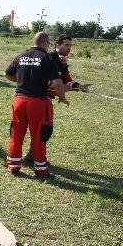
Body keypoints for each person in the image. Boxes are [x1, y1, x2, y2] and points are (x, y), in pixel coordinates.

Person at [4, 32, 69, 179]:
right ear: (45, 43)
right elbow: (58, 83)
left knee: (16, 134)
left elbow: (7, 74)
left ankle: (13, 166)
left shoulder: (21, 56)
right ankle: (40, 170)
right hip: (38, 103)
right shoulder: (47, 58)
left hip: (19, 101)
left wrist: (20, 80)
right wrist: (62, 97)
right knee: (39, 136)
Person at [23, 34, 91, 163]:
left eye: (70, 45)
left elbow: (67, 80)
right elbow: (50, 84)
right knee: (42, 130)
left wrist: (79, 86)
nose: (69, 48)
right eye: (66, 45)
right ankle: (34, 157)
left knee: (44, 130)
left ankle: (32, 155)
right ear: (56, 46)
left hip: (45, 101)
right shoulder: (48, 59)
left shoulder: (62, 61)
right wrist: (67, 90)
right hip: (38, 99)